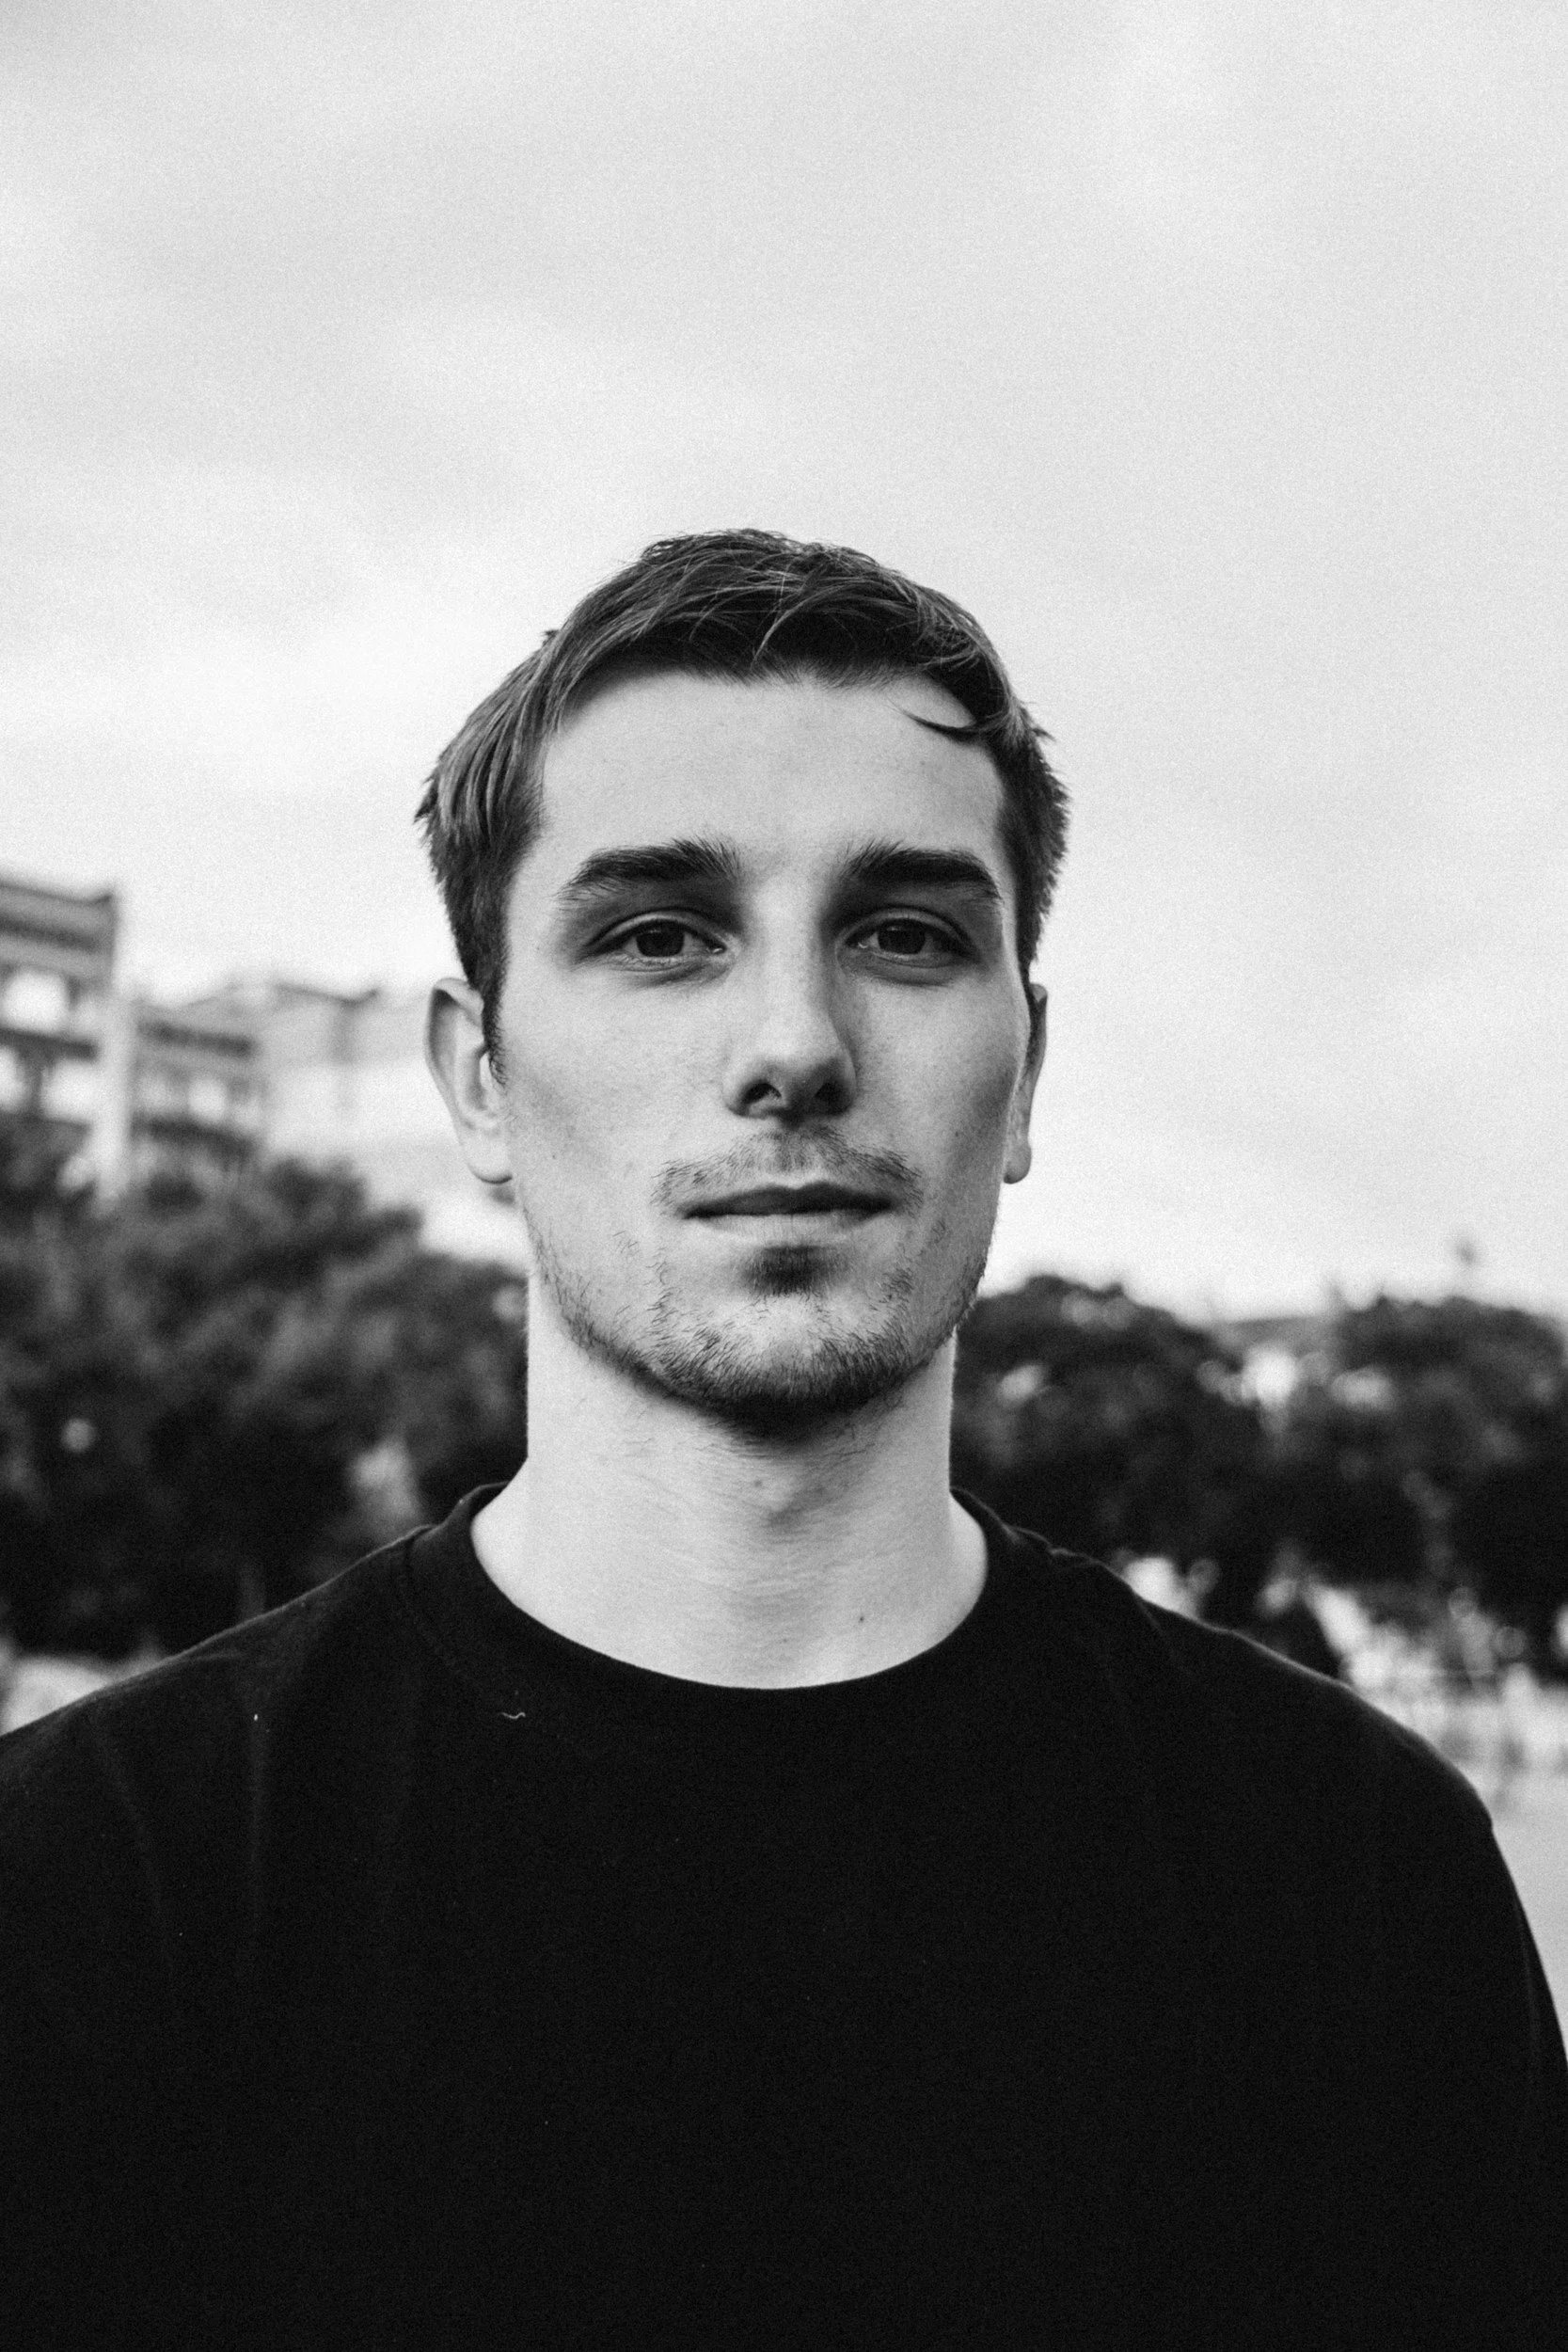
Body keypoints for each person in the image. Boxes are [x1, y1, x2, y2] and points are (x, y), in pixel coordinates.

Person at [2, 531, 1563, 2349]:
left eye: (904, 935)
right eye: (659, 935)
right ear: (479, 1079)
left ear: (1028, 1072)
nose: (793, 1046)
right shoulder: (94, 1889)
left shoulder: (1349, 1880)